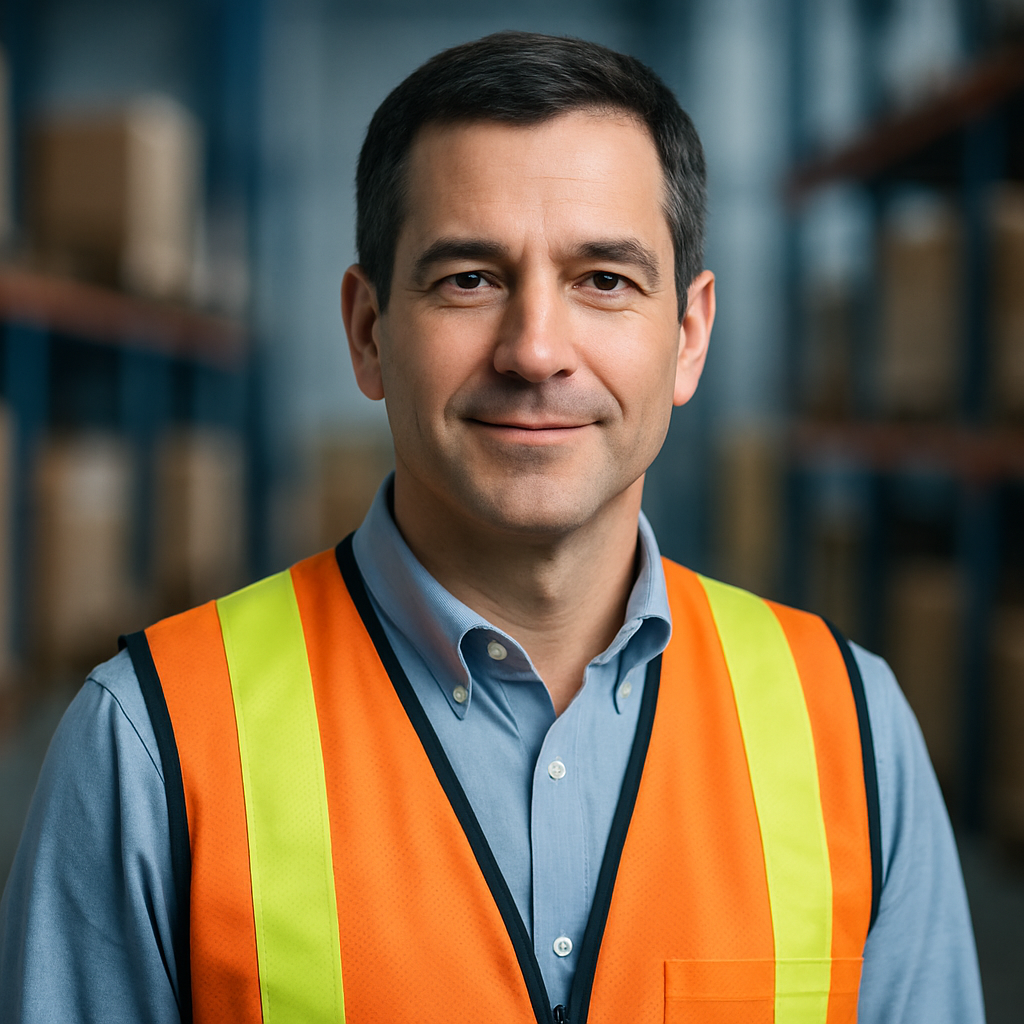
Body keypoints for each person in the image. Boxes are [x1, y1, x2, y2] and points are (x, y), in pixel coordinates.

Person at [0, 31, 984, 1024]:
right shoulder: (153, 745)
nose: (535, 350)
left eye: (604, 279)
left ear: (688, 337)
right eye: (469, 278)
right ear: (368, 331)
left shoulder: (849, 732)